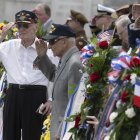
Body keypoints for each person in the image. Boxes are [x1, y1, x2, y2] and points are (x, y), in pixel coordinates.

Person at [0, 10, 52, 140]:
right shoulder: (8, 46)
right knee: (9, 135)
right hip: (13, 94)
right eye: (19, 26)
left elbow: (53, 76)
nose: (22, 29)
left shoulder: (45, 47)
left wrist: (51, 99)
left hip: (36, 95)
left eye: (26, 25)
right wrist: (1, 37)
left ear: (35, 26)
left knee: (33, 135)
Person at [35, 23, 83, 139]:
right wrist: (42, 56)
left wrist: (62, 131)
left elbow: (75, 104)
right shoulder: (66, 60)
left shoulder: (74, 63)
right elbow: (54, 76)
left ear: (64, 41)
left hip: (64, 132)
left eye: (52, 42)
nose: (49, 46)